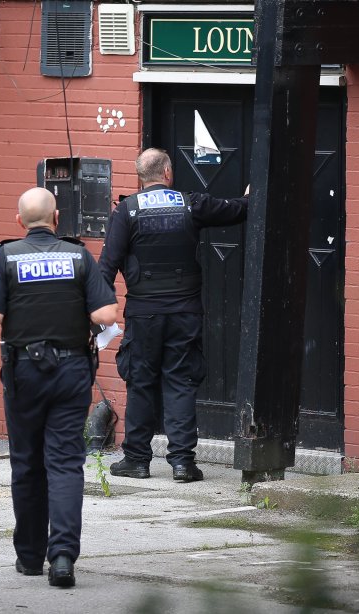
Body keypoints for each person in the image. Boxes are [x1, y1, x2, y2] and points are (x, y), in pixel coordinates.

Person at [0, 187, 117, 588]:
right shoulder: (79, 256)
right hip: (72, 371)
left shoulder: (6, 256)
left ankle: (29, 557)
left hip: (24, 374)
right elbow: (107, 313)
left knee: (27, 463)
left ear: (20, 221)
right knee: (66, 463)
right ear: (57, 219)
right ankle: (62, 560)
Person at [99, 148, 249, 482]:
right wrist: (253, 197)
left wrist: (97, 315)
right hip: (184, 312)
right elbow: (236, 210)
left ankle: (137, 460)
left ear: (141, 177)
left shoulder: (126, 211)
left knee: (140, 383)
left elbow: (106, 268)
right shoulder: (190, 203)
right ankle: (182, 463)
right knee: (181, 382)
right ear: (168, 172)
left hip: (144, 314)